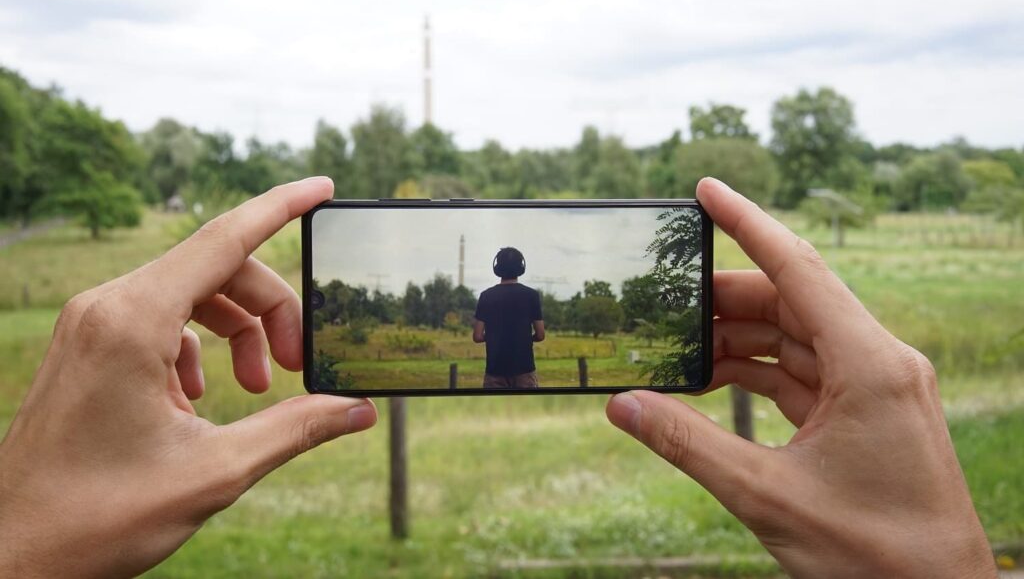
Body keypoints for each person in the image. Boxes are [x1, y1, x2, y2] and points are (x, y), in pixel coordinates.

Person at [0, 176, 996, 577]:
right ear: (528, 275)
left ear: (493, 273)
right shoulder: (535, 305)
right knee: (518, 380)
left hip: (494, 366)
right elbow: (543, 321)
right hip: (529, 366)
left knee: (497, 379)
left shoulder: (487, 302)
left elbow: (478, 329)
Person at [472, 247, 546, 389]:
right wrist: (524, 337)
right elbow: (541, 334)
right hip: (524, 370)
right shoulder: (531, 295)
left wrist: (495, 336)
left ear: (497, 267)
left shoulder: (486, 295)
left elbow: (477, 336)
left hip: (495, 371)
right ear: (521, 267)